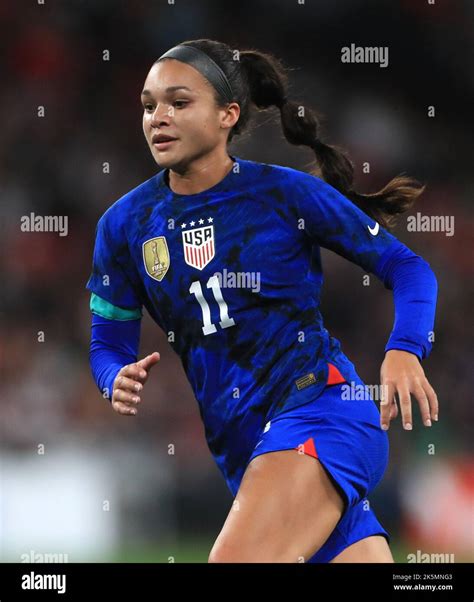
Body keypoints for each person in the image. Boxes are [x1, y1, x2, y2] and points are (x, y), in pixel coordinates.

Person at [86, 39, 439, 563]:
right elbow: (106, 344)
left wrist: (405, 348)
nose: (158, 117)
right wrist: (115, 376)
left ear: (228, 115)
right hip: (247, 449)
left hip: (322, 410)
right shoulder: (124, 226)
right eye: (148, 105)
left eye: (179, 103)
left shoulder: (282, 195)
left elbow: (407, 267)